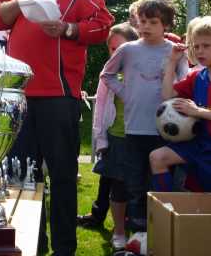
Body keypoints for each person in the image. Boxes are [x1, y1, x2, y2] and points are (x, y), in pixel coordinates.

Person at [0, 0, 114, 255]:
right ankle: (32, 244)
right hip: (19, 96)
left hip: (60, 96)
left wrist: (68, 29)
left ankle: (64, 248)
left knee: (61, 177)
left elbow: (103, 25)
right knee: (23, 175)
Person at [101, 0, 188, 242]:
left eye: (153, 22)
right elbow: (106, 75)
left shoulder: (175, 51)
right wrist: (126, 93)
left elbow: (185, 82)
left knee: (159, 185)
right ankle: (138, 237)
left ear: (167, 25)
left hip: (165, 130)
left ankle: (161, 235)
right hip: (135, 129)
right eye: (142, 21)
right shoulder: (127, 50)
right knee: (135, 186)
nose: (146, 27)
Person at [150, 16, 211, 195]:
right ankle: (166, 211)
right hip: (198, 143)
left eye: (206, 46)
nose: (200, 51)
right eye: (196, 46)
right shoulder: (196, 76)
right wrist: (172, 62)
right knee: (158, 157)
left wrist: (198, 111)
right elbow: (167, 96)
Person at [78, 23, 139, 250]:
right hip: (118, 137)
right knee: (119, 187)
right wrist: (100, 139)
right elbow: (101, 109)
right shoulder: (109, 73)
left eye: (120, 48)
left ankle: (140, 230)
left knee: (140, 188)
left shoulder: (146, 69)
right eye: (112, 49)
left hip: (142, 136)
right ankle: (119, 232)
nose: (116, 53)